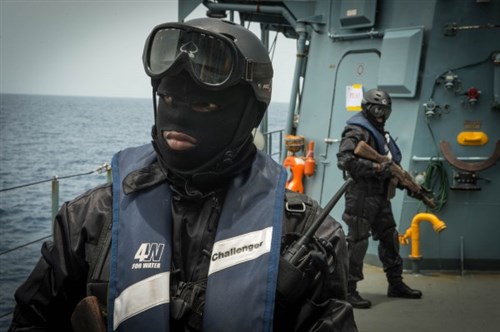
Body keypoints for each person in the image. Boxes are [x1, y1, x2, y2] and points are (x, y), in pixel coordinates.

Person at [9, 18, 357, 331]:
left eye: (205, 105)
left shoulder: (307, 235)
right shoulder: (90, 220)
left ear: (250, 114)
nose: (177, 119)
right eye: (168, 98)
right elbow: (32, 319)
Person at [336, 88, 423, 309]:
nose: (381, 114)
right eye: (376, 109)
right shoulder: (357, 130)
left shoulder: (379, 133)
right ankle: (348, 290)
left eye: (385, 110)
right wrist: (376, 167)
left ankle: (396, 283)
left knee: (389, 238)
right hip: (360, 195)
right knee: (357, 242)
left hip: (380, 196)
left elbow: (390, 167)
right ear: (366, 108)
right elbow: (345, 160)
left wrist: (408, 185)